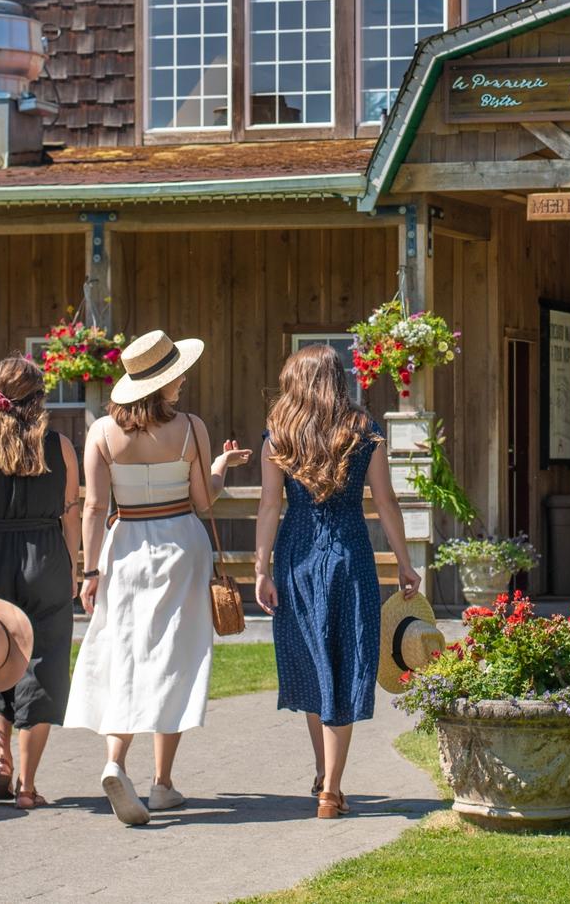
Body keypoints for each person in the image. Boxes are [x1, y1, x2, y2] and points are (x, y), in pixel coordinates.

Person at [65, 330, 250, 826]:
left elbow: (94, 506)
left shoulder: (102, 432)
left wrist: (90, 569)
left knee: (124, 653)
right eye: (176, 375)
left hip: (125, 549)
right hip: (181, 547)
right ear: (161, 383)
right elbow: (204, 500)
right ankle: (162, 784)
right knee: (173, 657)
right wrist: (219, 467)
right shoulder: (190, 427)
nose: (183, 381)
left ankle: (114, 763)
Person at [254, 342, 421, 819]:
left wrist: (263, 569)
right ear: (337, 380)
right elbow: (386, 502)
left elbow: (269, 506)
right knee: (344, 663)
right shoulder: (362, 429)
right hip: (348, 551)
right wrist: (404, 563)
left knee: (312, 661)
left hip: (296, 554)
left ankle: (324, 775)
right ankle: (331, 787)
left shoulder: (278, 435)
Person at [0, 356, 80, 810]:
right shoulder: (60, 446)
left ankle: (1, 757)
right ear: (39, 399)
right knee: (42, 663)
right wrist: (76, 567)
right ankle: (27, 786)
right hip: (44, 556)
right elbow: (71, 512)